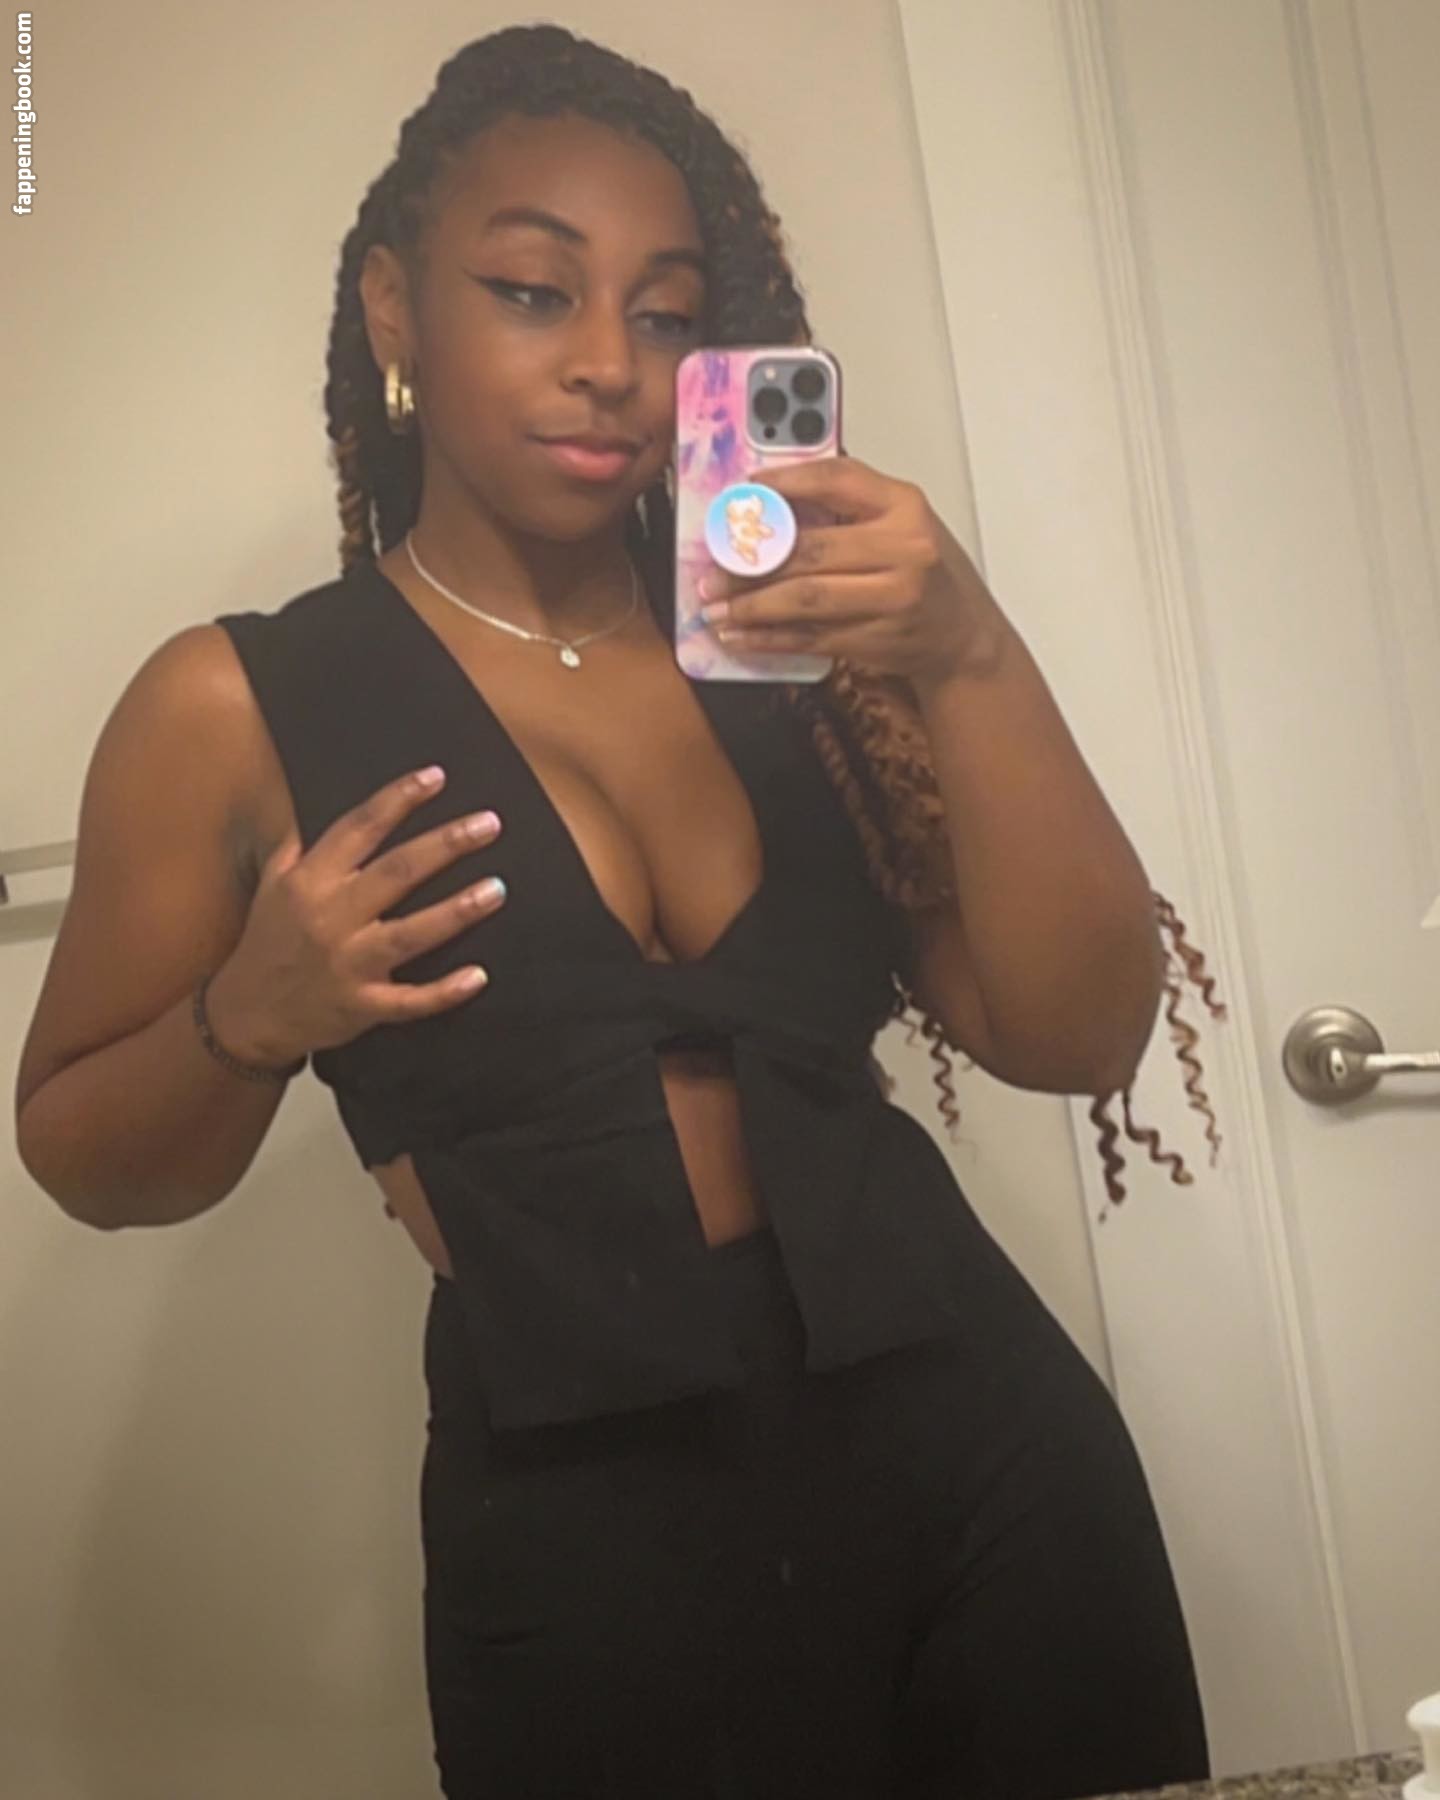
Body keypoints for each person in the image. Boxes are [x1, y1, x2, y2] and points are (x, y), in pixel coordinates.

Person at [14, 25, 1225, 1800]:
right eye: (532, 291)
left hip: (984, 1465)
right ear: (394, 309)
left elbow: (1080, 1031)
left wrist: (967, 649)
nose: (607, 366)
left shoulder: (785, 653)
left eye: (664, 317)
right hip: (592, 1534)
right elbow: (81, 1154)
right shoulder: (240, 703)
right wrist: (247, 1020)